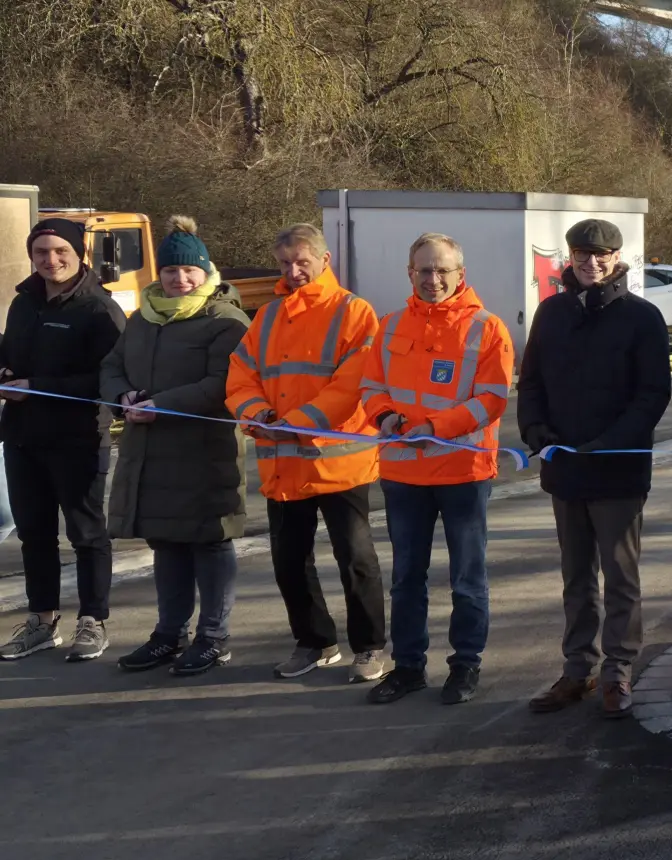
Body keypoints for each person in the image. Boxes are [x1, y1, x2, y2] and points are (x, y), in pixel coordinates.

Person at [520, 219, 671, 719]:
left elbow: (652, 395)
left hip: (617, 470)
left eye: (601, 255)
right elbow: (533, 382)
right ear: (570, 258)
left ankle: (618, 672)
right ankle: (577, 669)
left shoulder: (642, 317)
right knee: (575, 577)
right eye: (582, 254)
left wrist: (608, 444)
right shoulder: (552, 313)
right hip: (565, 468)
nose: (591, 263)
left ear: (616, 258)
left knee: (620, 576)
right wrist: (537, 432)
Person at [226, 223, 389, 684]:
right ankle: (314, 642)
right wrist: (256, 412)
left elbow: (355, 379)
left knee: (355, 559)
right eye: (284, 264)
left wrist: (304, 419)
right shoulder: (269, 316)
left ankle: (370, 647)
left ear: (324, 261)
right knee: (289, 560)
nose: (294, 271)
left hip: (339, 460)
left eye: (302, 262)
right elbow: (240, 374)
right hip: (283, 460)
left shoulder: (355, 312)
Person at [360, 233, 513, 706]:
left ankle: (465, 665)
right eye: (424, 270)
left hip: (464, 474)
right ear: (410, 274)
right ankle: (408, 667)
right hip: (404, 476)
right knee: (407, 577)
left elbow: (491, 399)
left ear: (460, 274)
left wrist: (430, 426)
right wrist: (384, 416)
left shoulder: (487, 329)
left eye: (442, 270)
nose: (433, 279)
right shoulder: (388, 327)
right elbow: (370, 385)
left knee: (467, 578)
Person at [103, 217, 251, 675]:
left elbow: (221, 383)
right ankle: (169, 632)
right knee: (165, 543)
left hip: (205, 452)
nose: (180, 279)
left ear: (207, 274)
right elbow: (111, 365)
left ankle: (213, 635)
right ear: (159, 274)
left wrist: (160, 405)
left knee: (209, 541)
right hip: (150, 453)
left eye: (189, 271)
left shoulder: (226, 321)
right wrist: (121, 395)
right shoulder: (140, 319)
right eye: (171, 271)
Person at [0, 218, 126, 662]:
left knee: (87, 533)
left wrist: (39, 384)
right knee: (34, 535)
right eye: (41, 253)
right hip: (20, 436)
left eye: (60, 253)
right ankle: (41, 621)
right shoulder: (24, 303)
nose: (50, 261)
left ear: (80, 256)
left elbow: (108, 376)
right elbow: (9, 353)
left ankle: (93, 621)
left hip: (76, 439)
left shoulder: (98, 309)